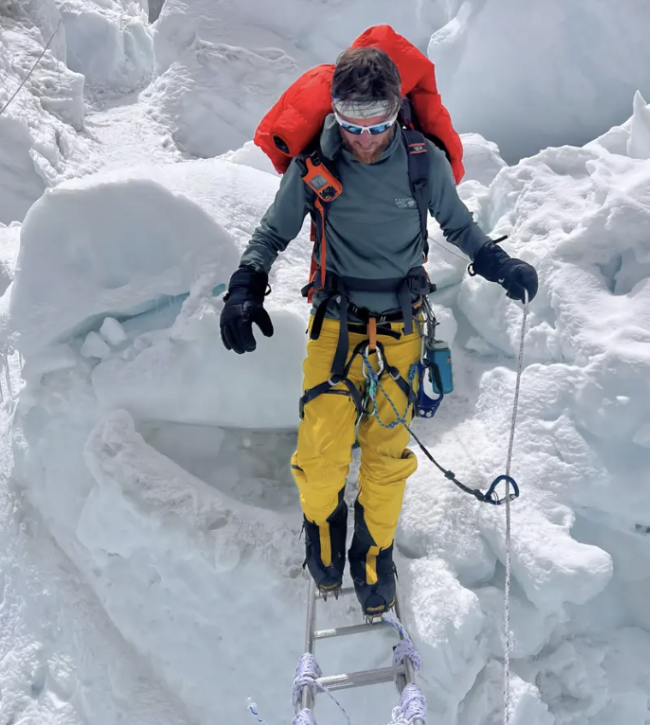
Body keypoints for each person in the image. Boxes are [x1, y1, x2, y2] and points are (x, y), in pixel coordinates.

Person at [219, 46, 538, 617]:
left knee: (386, 460)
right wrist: (246, 283)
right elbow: (273, 231)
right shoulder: (316, 163)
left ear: (396, 111)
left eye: (377, 122)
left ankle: (374, 553)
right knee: (320, 455)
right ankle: (324, 529)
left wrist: (497, 263)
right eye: (350, 121)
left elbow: (458, 225)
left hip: (400, 330)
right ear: (335, 113)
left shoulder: (421, 162)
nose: (364, 137)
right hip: (335, 329)